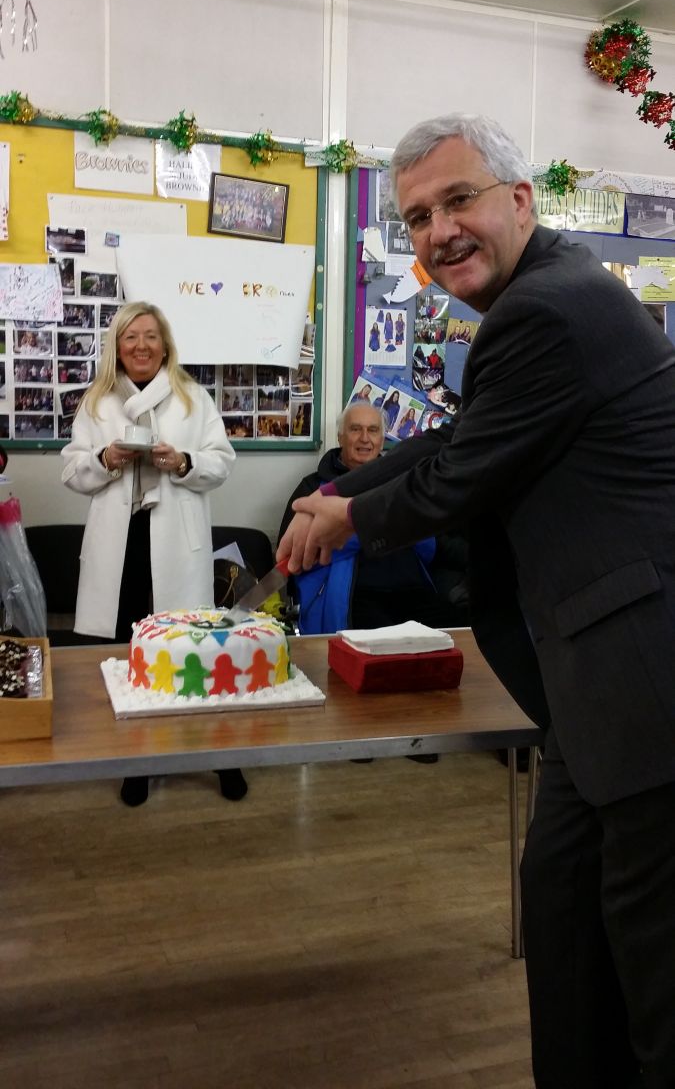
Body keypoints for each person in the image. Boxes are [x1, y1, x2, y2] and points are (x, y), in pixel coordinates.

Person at [278, 113, 675, 1089]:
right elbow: (458, 442)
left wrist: (343, 519)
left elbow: (456, 482)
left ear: (521, 199)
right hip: (596, 695)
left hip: (647, 688)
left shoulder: (548, 310)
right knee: (562, 908)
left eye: (459, 200)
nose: (439, 231)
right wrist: (341, 492)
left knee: (654, 973)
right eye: (417, 217)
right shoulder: (539, 302)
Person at [62, 301, 247, 809]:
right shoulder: (98, 402)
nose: (140, 346)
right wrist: (106, 458)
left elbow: (222, 462)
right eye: (130, 338)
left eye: (150, 336)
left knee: (191, 653)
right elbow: (71, 471)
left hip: (174, 547)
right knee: (131, 660)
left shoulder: (192, 398)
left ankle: (219, 756)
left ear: (165, 344)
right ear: (117, 348)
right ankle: (137, 764)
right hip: (119, 548)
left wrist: (182, 461)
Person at [278, 402, 451, 634]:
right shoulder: (313, 488)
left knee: (452, 635)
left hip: (413, 587)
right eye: (355, 429)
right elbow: (292, 555)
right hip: (357, 595)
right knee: (383, 647)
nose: (364, 438)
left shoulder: (404, 484)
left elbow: (435, 538)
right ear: (340, 437)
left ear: (382, 439)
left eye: (373, 430)